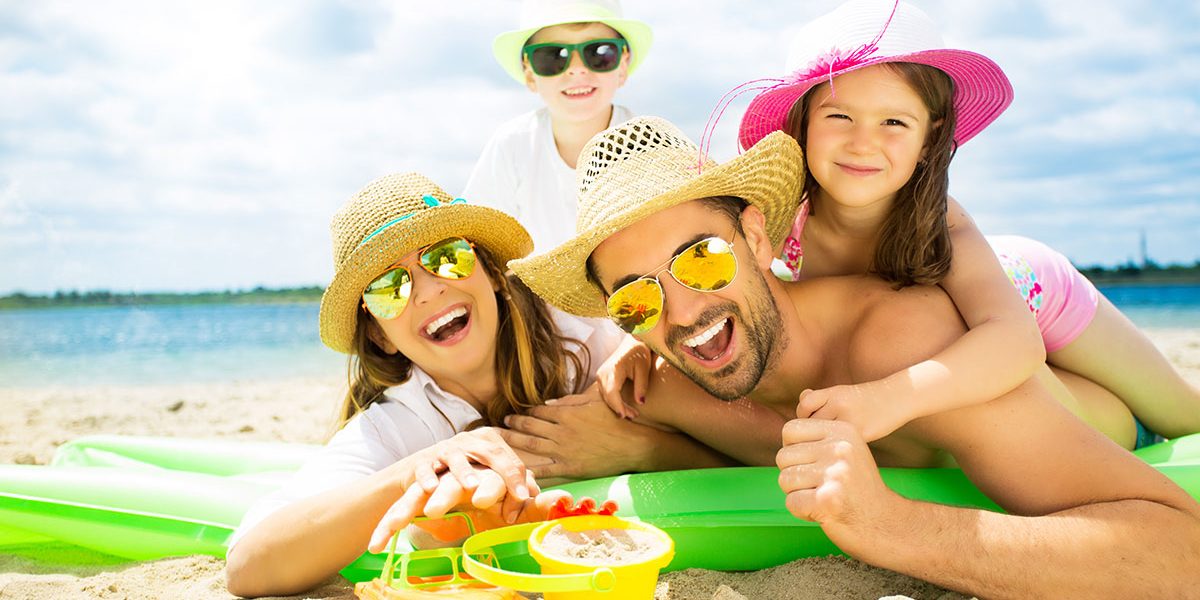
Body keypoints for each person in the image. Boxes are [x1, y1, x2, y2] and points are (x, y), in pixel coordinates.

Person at [507, 115, 1200, 597]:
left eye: (703, 259)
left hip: (1083, 388)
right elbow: (523, 435)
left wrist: (889, 526)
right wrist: (650, 451)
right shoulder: (653, 381)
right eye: (637, 300)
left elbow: (1182, 555)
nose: (681, 313)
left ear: (754, 236)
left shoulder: (902, 344)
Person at [600, 0, 1200, 449]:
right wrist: (636, 337)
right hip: (951, 335)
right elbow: (712, 276)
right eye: (839, 115)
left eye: (894, 122)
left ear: (932, 133)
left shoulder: (940, 218)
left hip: (1031, 293)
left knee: (1179, 415)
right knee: (1078, 421)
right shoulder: (779, 217)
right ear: (802, 123)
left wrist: (887, 399)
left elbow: (1011, 339)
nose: (864, 143)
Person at [223, 172, 724, 597]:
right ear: (380, 334)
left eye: (447, 257)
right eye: (389, 287)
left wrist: (638, 448)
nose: (429, 289)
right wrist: (417, 470)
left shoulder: (590, 338)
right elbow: (248, 564)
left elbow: (748, 453)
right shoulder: (398, 426)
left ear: (494, 274)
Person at [462, 0, 652, 251]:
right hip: (531, 290)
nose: (576, 69)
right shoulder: (512, 146)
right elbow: (480, 244)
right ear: (529, 74)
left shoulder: (651, 144)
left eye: (598, 53)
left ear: (623, 64)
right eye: (552, 56)